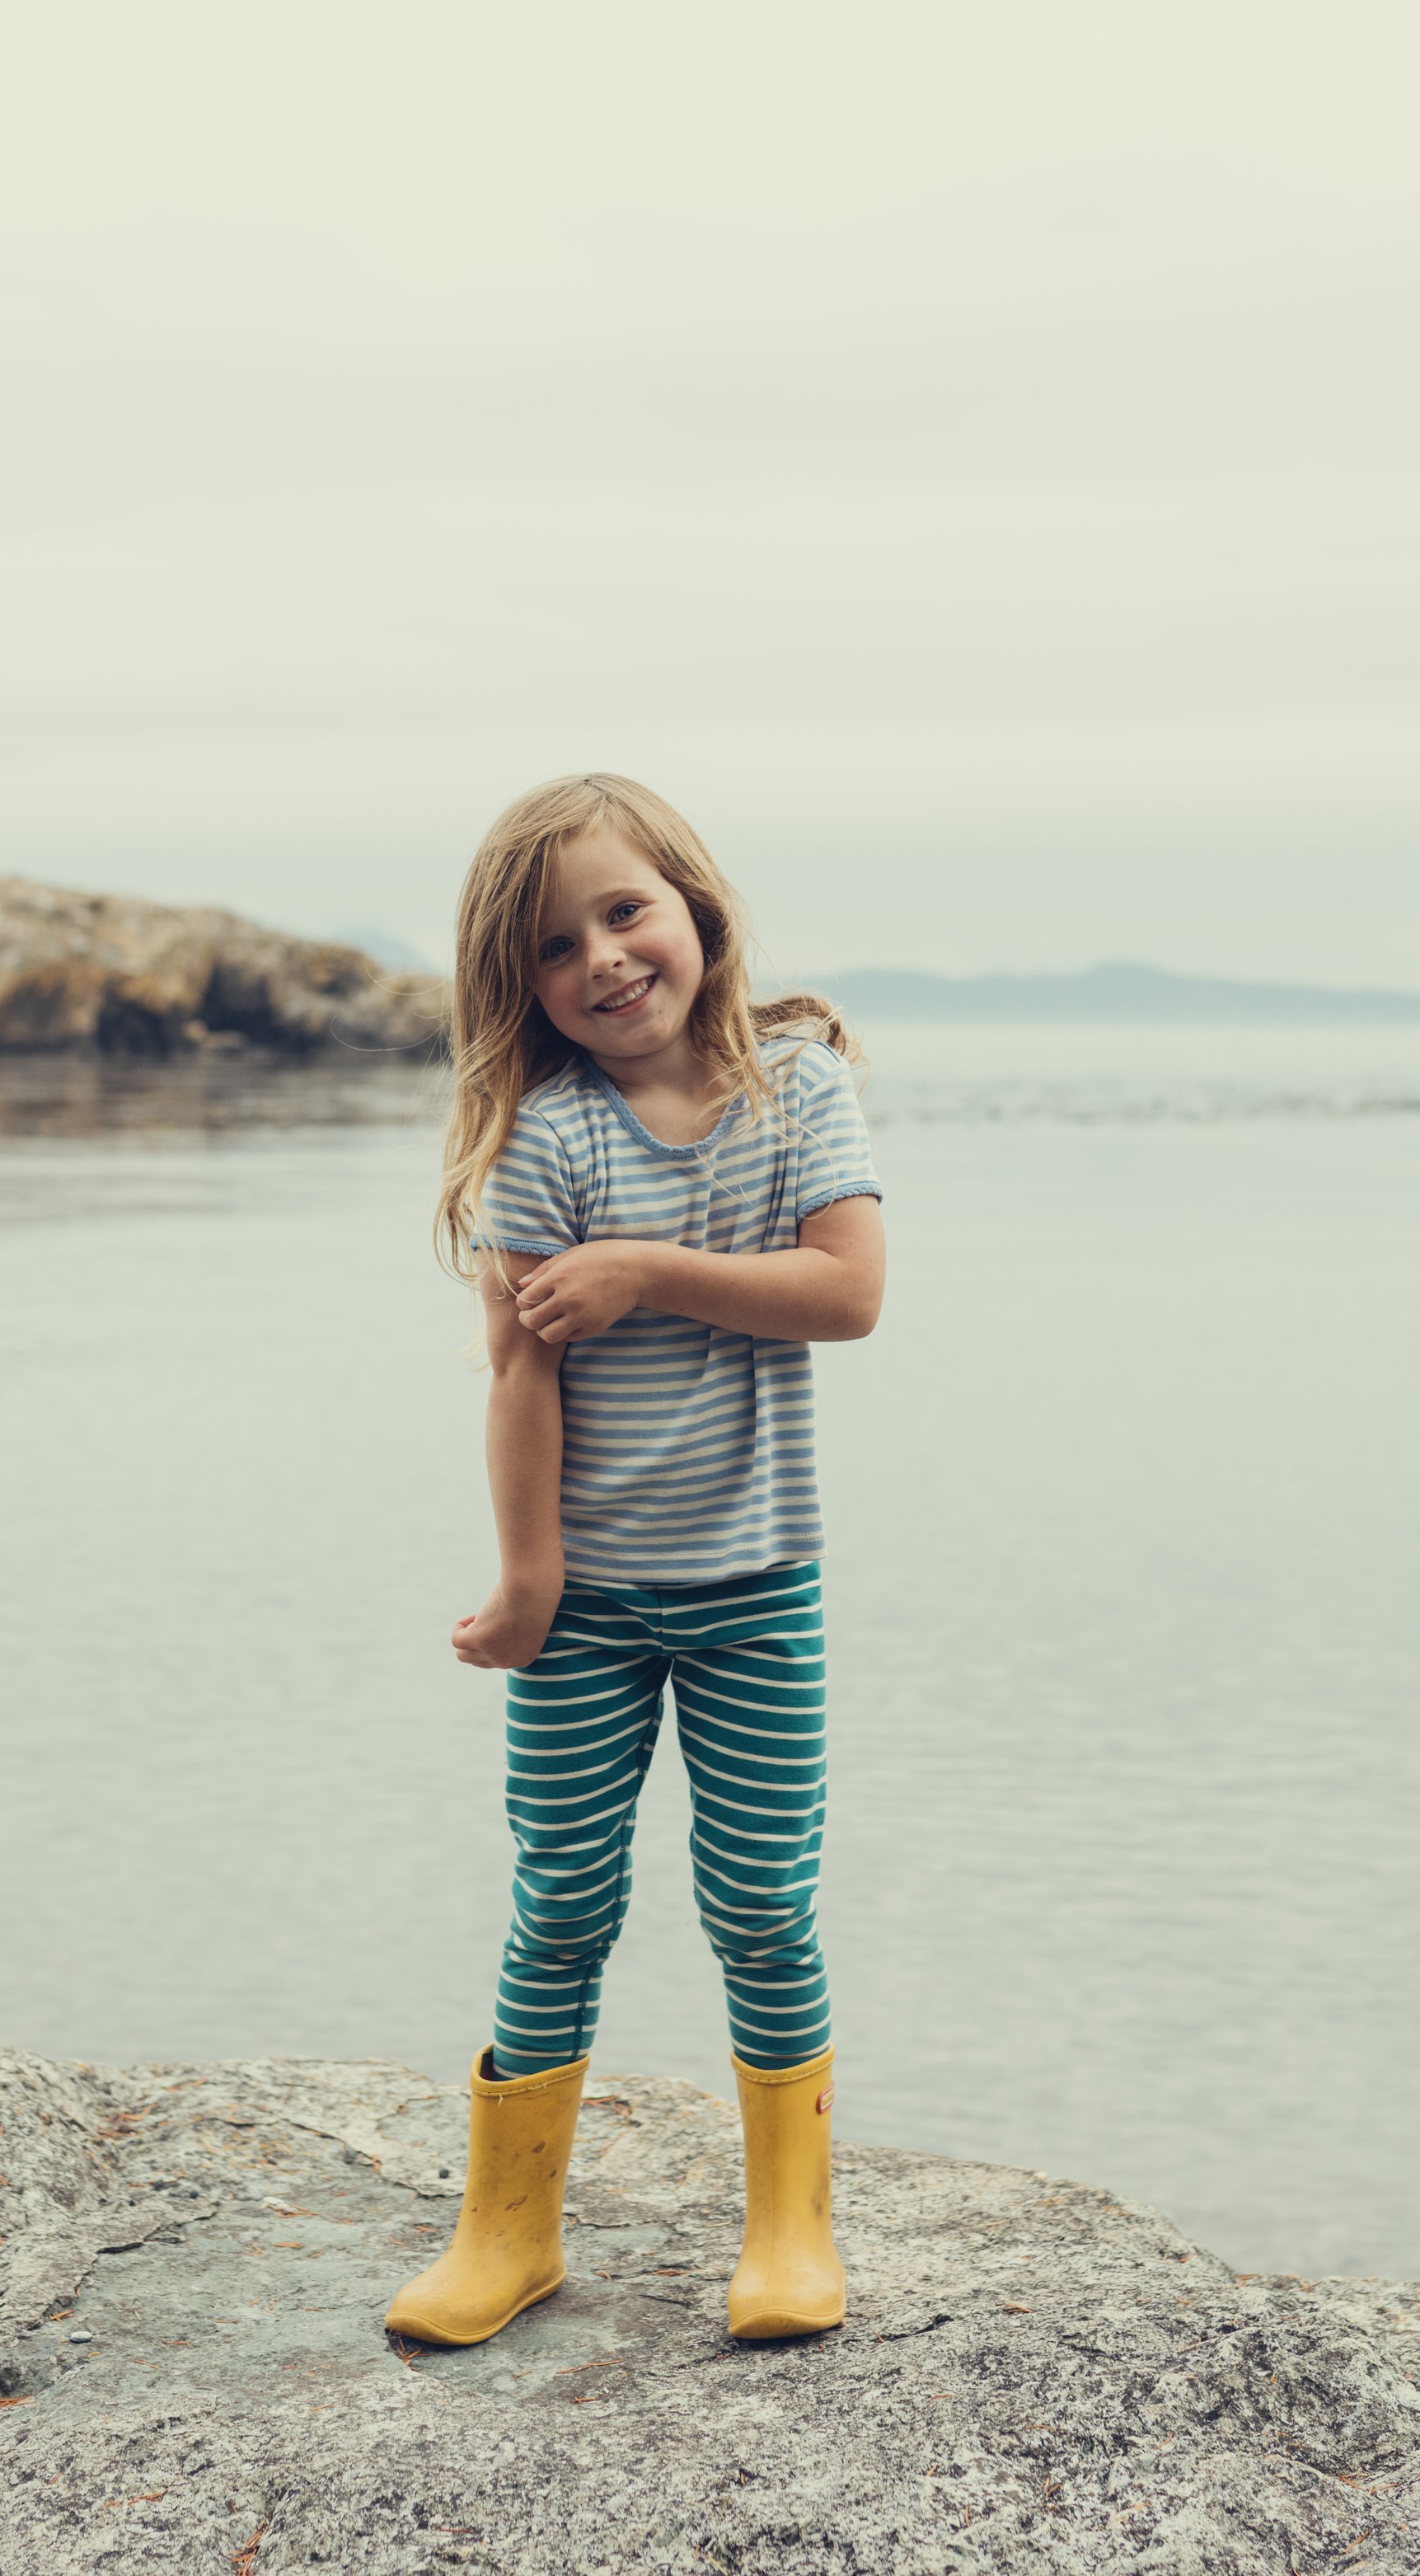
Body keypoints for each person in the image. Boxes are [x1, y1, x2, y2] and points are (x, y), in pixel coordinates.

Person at [386, 773, 885, 2349]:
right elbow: (517, 1371)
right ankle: (510, 2225)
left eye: (625, 910)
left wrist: (648, 1272)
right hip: (589, 1608)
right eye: (552, 947)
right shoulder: (545, 1137)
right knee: (561, 1900)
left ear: (697, 909)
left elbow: (848, 1291)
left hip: (759, 1594)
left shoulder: (797, 1090)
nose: (602, 959)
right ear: (516, 988)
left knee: (761, 1901)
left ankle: (791, 2223)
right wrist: (526, 1576)